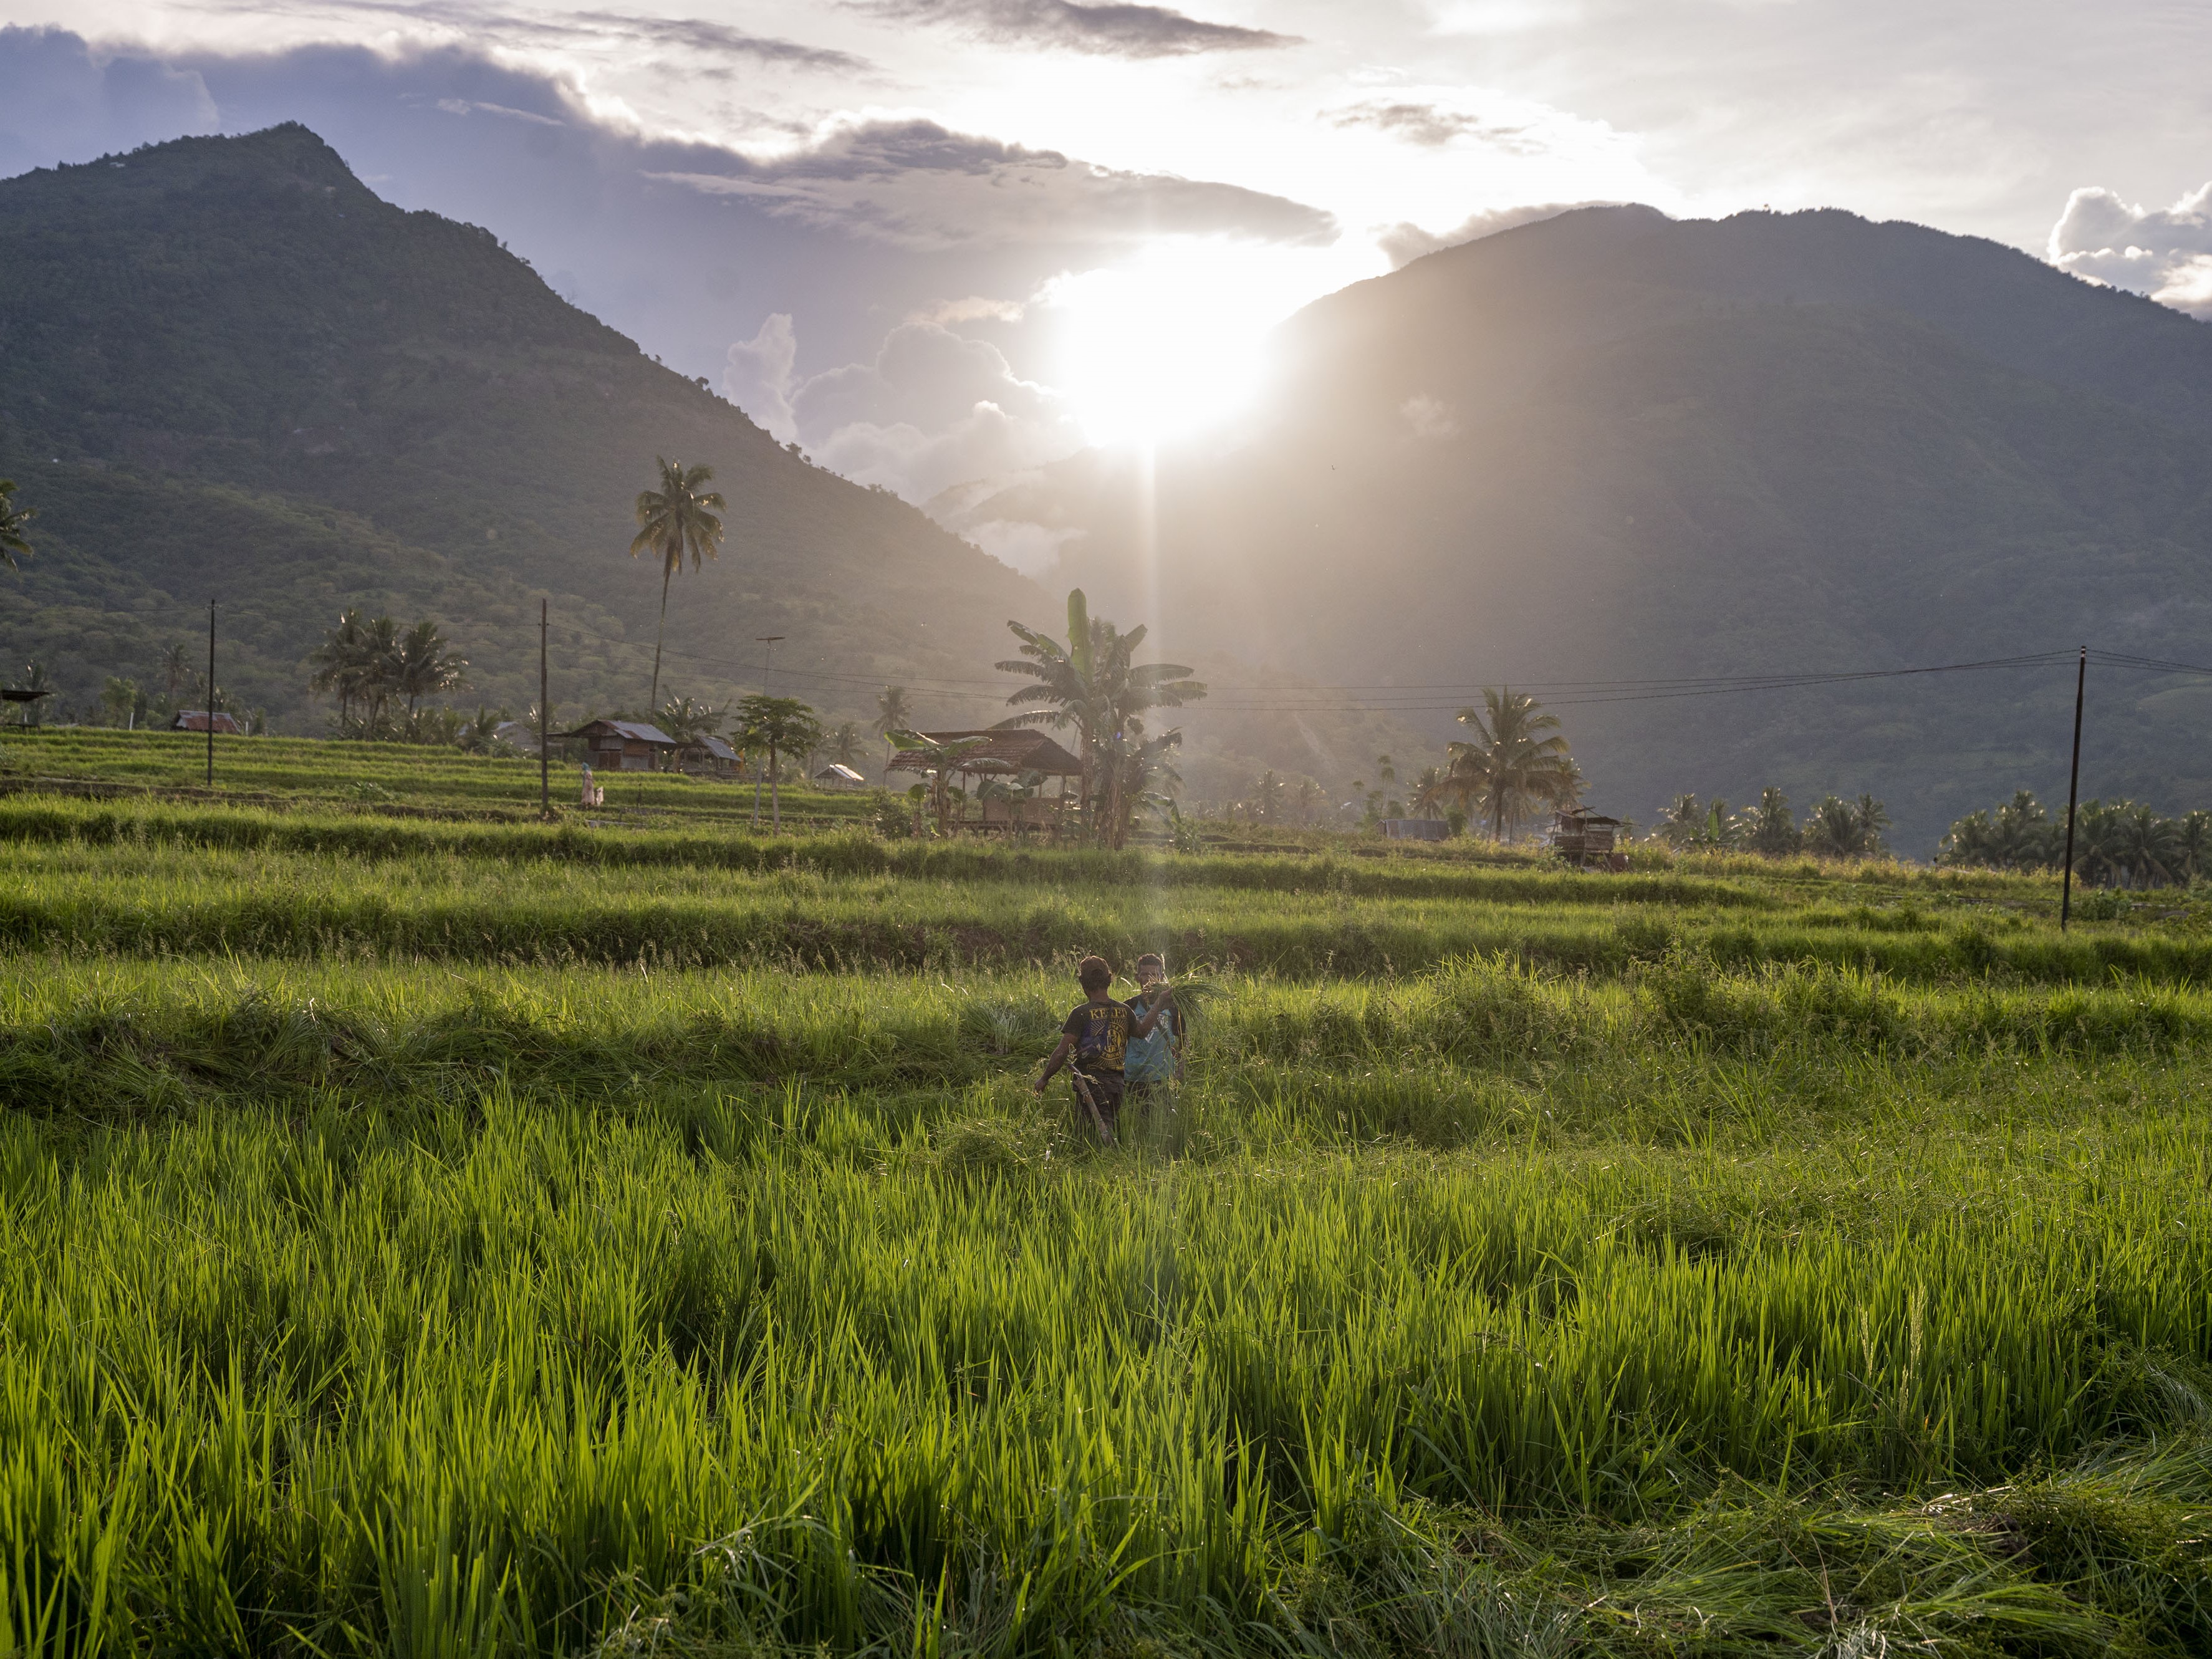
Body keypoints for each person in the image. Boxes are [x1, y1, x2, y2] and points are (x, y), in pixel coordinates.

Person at [1034, 954, 1174, 1145]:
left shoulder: (1080, 1013)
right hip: (1117, 1086)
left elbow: (1061, 1051)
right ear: (1109, 980)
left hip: (1090, 1086)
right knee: (1109, 1128)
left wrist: (1044, 1078)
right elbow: (1142, 1032)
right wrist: (1158, 1004)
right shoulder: (1124, 1010)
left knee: (1089, 1136)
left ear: (1083, 983)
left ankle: (1100, 1161)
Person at [1122, 952, 1183, 1117]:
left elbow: (1183, 1038)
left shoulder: (1173, 1006)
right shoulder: (1129, 1006)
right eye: (1145, 975)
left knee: (1164, 1122)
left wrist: (1181, 1068)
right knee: (1135, 1124)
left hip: (1163, 1077)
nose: (1150, 980)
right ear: (1137, 977)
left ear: (1162, 977)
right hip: (1134, 1078)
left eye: (1155, 975)